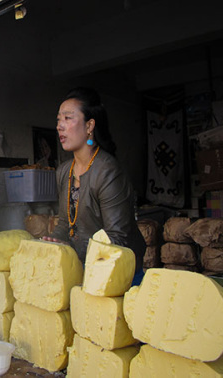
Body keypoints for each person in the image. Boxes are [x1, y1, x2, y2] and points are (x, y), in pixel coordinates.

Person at [44, 87, 145, 283]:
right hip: (84, 267)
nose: (59, 126)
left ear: (89, 125)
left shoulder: (108, 171)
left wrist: (70, 249)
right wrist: (54, 242)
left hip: (118, 271)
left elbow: (117, 239)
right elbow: (66, 224)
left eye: (67, 118)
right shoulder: (64, 171)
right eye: (58, 120)